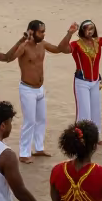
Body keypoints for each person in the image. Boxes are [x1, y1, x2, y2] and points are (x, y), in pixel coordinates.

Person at [12, 20, 77, 163]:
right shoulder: (24, 47)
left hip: (40, 88)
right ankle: (24, 153)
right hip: (27, 89)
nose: (43, 34)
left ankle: (39, 148)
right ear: (31, 31)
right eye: (41, 31)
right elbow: (10, 57)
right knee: (29, 121)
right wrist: (23, 39)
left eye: (44, 31)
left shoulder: (42, 44)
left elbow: (59, 49)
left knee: (41, 120)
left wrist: (69, 33)